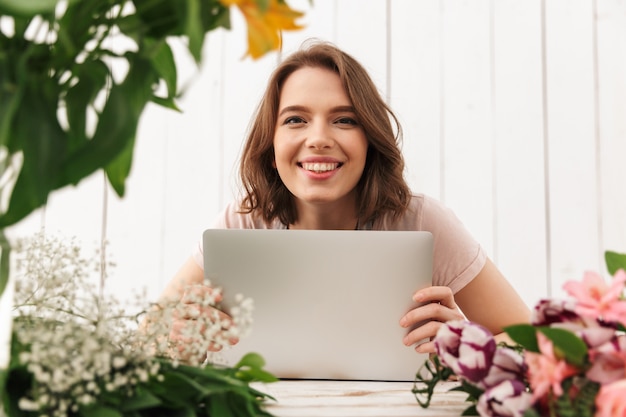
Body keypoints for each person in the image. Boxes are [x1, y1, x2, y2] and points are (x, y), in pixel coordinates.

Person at [159, 40, 530, 360]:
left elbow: (536, 341)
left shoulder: (422, 221)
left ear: (370, 141)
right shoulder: (241, 224)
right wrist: (180, 342)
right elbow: (149, 338)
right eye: (295, 120)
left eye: (345, 120)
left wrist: (467, 347)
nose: (318, 138)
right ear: (271, 147)